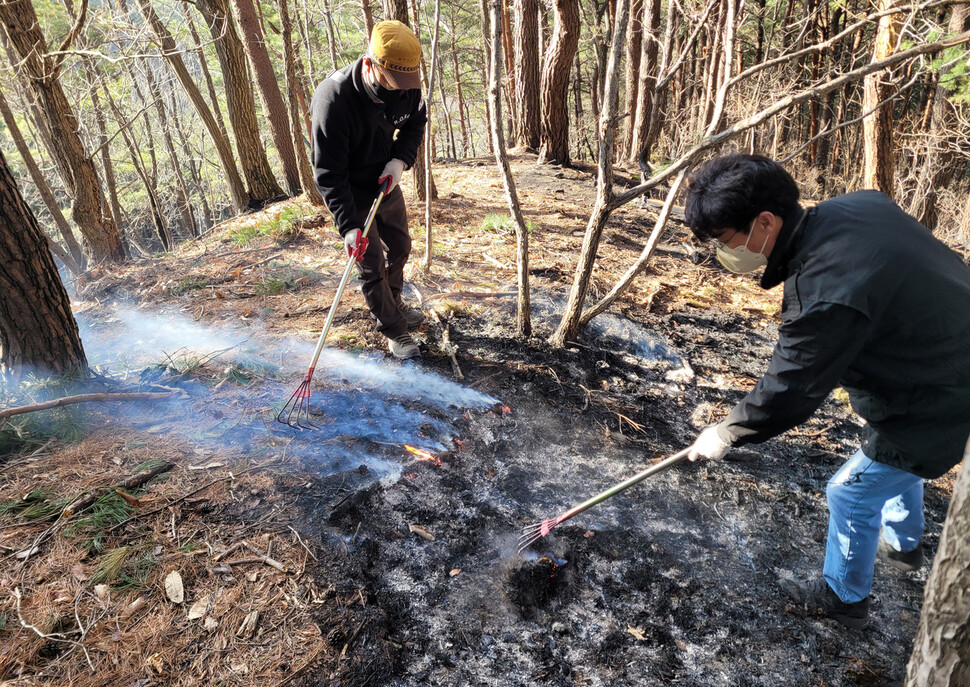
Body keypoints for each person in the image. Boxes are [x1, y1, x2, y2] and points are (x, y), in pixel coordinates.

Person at [683, 153, 970, 629]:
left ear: (765, 223)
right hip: (937, 348)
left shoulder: (826, 291)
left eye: (725, 240)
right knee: (895, 460)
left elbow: (793, 385)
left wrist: (729, 432)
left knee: (849, 494)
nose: (723, 252)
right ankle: (904, 545)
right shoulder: (858, 206)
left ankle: (843, 597)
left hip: (941, 390)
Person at [311, 20, 428, 359]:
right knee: (371, 261)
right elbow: (328, 173)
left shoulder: (408, 86)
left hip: (384, 179)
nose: (398, 91)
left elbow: (415, 123)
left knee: (401, 247)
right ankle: (394, 330)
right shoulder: (333, 101)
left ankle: (393, 303)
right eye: (390, 82)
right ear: (369, 65)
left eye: (404, 84)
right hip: (351, 189)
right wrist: (348, 225)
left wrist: (400, 161)